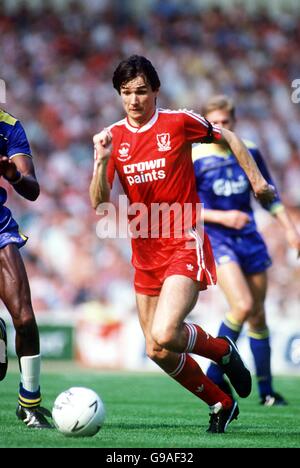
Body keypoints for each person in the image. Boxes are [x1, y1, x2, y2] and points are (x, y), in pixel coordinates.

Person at [89, 55, 275, 433]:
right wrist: (100, 162)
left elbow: (232, 138)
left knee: (165, 333)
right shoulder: (113, 138)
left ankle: (222, 349)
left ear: (156, 91)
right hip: (144, 250)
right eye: (126, 93)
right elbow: (99, 203)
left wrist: (256, 181)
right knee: (156, 349)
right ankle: (220, 403)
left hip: (183, 241)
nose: (133, 101)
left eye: (141, 91)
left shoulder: (178, 122)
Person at [192, 95, 300, 406]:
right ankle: (214, 376)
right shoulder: (196, 156)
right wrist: (221, 216)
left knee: (258, 316)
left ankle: (266, 392)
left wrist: (290, 229)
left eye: (227, 122)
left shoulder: (249, 149)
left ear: (235, 122)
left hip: (250, 238)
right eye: (215, 123)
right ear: (207, 125)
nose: (222, 127)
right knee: (241, 305)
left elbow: (267, 193)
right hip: (218, 239)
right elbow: (183, 208)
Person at [0, 106, 52, 428]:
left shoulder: (8, 127)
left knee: (25, 317)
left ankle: (29, 403)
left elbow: (32, 189)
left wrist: (13, 176)